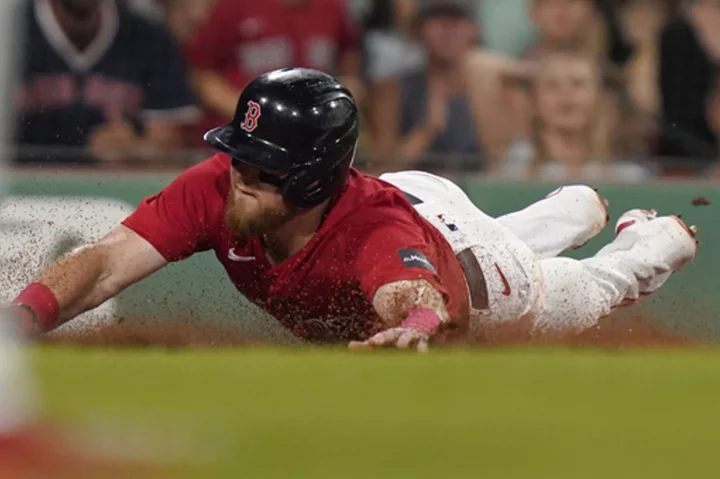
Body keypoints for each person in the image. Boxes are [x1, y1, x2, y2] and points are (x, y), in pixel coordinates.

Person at [4, 68, 698, 351]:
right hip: (418, 203)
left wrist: (419, 323)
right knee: (444, 237)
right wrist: (23, 315)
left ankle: (652, 237)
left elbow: (413, 294)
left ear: (309, 174)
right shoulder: (222, 182)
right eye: (239, 155)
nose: (240, 176)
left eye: (262, 166)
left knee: (585, 294)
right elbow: (102, 265)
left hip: (476, 273)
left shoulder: (369, 230)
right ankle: (573, 211)